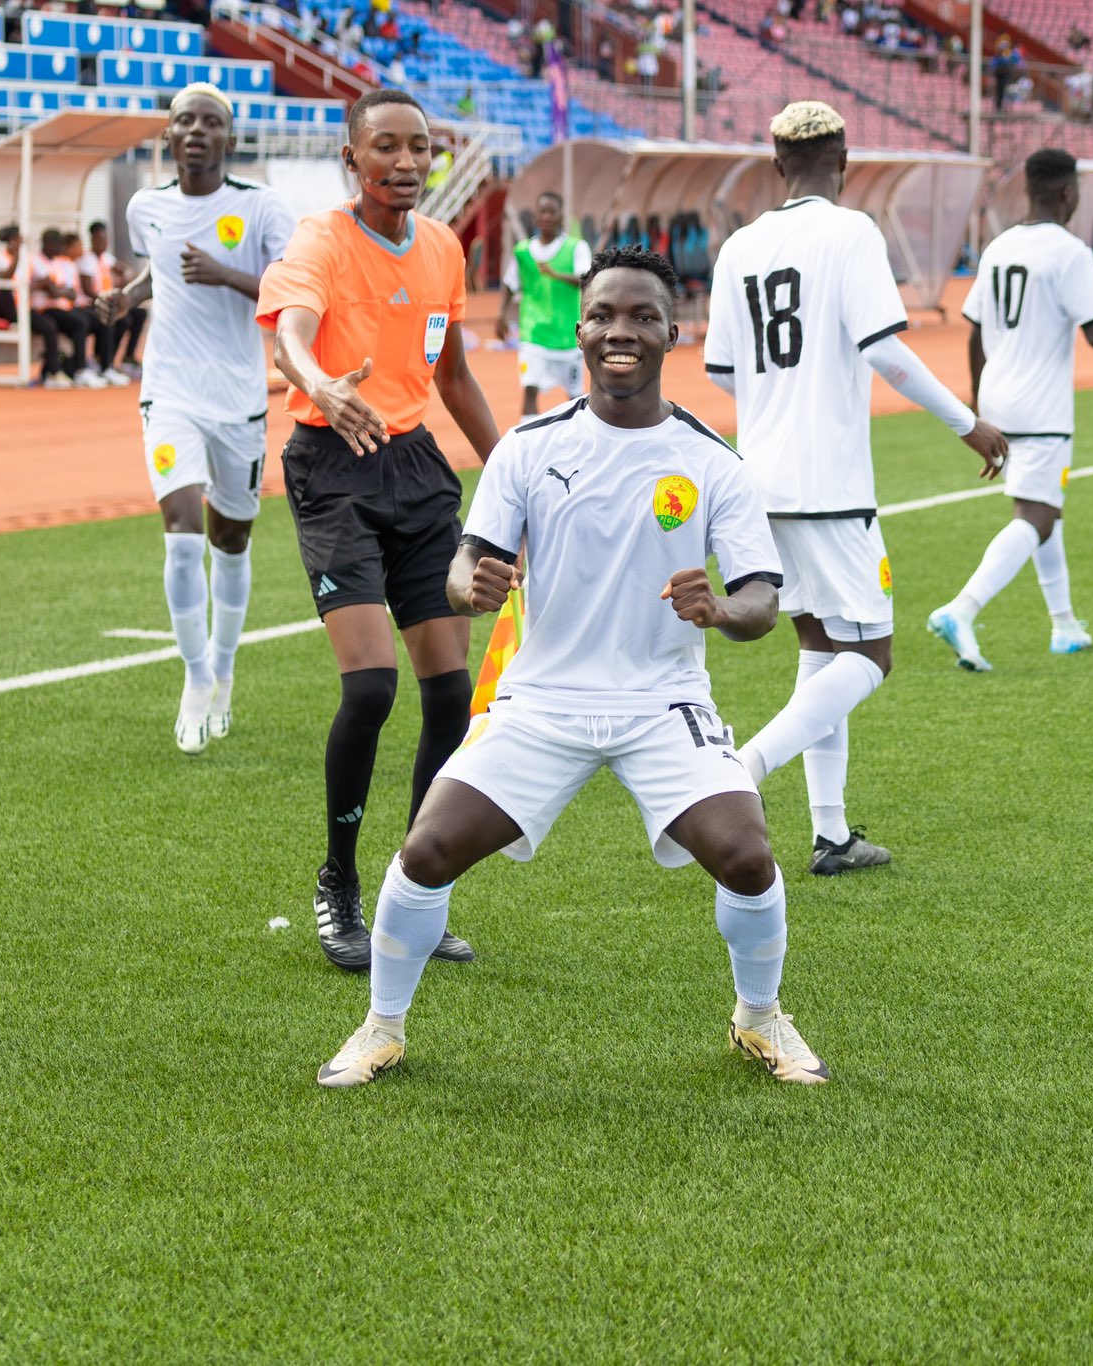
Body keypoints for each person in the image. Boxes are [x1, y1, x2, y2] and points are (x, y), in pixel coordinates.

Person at [314, 248, 821, 1090]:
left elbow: (762, 599)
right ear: (580, 330)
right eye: (605, 317)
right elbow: (466, 562)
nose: (621, 333)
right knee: (427, 849)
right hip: (543, 698)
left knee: (746, 854)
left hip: (663, 700)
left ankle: (759, 1016)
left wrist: (721, 609)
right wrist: (468, 585)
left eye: (642, 318)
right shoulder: (526, 445)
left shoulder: (712, 462)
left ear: (673, 332)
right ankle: (382, 1026)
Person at [703, 101, 1007, 875]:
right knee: (871, 655)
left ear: (776, 164)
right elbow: (887, 354)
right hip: (830, 482)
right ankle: (743, 768)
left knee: (819, 643)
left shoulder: (740, 244)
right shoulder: (852, 232)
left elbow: (723, 372)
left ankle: (831, 835)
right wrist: (968, 422)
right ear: (844, 160)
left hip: (758, 477)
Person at [255, 89, 497, 973]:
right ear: (351, 157)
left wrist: (514, 477)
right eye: (384, 146)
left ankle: (414, 887)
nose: (404, 161)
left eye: (419, 147)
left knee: (449, 695)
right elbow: (291, 335)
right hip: (331, 465)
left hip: (417, 469)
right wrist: (317, 382)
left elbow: (456, 379)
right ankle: (339, 886)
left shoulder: (443, 247)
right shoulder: (321, 239)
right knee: (370, 690)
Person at [927, 149, 1093, 671]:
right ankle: (962, 608)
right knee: (1037, 516)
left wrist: (979, 403)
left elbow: (976, 332)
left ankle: (1064, 625)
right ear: (1069, 194)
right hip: (1041, 408)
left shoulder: (999, 246)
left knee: (1047, 511)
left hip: (998, 399)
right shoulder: (1068, 251)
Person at [97, 84, 295, 754]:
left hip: (239, 397)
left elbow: (292, 290)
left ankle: (227, 667)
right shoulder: (144, 207)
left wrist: (223, 274)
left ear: (229, 139)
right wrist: (127, 296)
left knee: (231, 539)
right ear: (169, 135)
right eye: (186, 120)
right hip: (170, 392)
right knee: (181, 526)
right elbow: (160, 270)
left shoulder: (260, 207)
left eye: (212, 122)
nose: (198, 130)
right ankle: (196, 676)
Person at [495, 190, 591, 416]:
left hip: (569, 337)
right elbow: (510, 283)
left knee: (576, 397)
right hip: (533, 334)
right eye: (542, 212)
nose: (546, 217)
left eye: (552, 212)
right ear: (535, 216)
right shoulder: (523, 252)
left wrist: (555, 273)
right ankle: (528, 442)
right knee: (529, 389)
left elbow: (587, 278)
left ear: (560, 216)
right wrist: (501, 315)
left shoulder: (576, 247)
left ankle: (582, 441)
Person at [31, 228, 96, 389]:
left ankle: (83, 365)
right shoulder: (35, 261)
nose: (60, 249)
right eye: (57, 245)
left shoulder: (58, 263)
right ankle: (73, 369)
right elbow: (53, 291)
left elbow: (68, 291)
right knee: (79, 322)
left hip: (60, 307)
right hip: (42, 309)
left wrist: (59, 290)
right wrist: (59, 290)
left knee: (93, 320)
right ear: (48, 244)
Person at [81, 219, 146, 377]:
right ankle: (103, 362)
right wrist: (107, 299)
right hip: (91, 304)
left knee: (139, 313)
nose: (103, 243)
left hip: (107, 301)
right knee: (119, 319)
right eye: (100, 239)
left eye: (105, 239)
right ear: (93, 240)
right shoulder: (87, 260)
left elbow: (125, 270)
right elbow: (88, 290)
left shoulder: (106, 258)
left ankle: (127, 358)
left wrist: (127, 274)